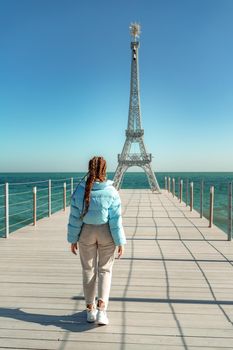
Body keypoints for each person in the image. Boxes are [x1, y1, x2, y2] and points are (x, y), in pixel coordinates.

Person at [67, 156, 126, 325]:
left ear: (89, 169)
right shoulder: (111, 191)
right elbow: (115, 220)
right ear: (104, 170)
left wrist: (73, 239)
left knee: (88, 270)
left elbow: (75, 218)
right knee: (105, 271)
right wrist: (120, 241)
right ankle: (102, 310)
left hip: (86, 233)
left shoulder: (80, 190)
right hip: (106, 233)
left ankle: (89, 310)